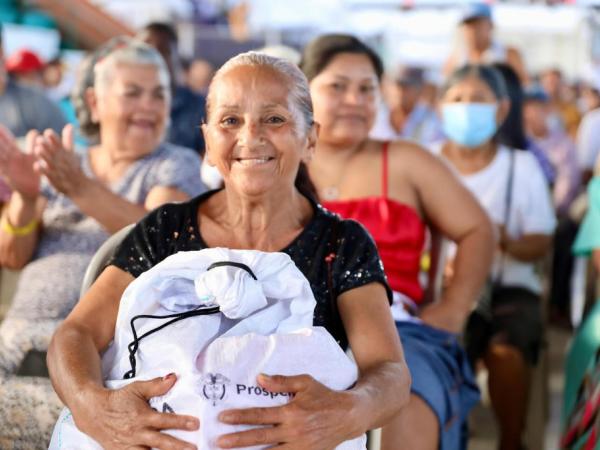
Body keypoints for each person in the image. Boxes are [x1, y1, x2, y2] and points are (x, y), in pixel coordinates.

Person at [47, 51, 411, 450]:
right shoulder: (166, 230)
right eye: (230, 120)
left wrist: (345, 412)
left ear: (310, 139)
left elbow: (389, 371)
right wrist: (94, 407)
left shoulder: (342, 243)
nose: (250, 137)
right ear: (207, 140)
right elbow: (76, 333)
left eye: (274, 119)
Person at [0, 39, 205, 447]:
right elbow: (12, 255)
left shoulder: (174, 163)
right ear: (94, 102)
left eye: (159, 94)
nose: (149, 106)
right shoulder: (63, 161)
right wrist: (25, 196)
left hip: (95, 359)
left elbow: (164, 240)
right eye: (133, 93)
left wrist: (78, 187)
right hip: (17, 340)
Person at [301, 34, 494, 450]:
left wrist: (455, 306)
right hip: (294, 329)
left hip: (399, 329)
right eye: (338, 86)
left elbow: (477, 229)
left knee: (406, 404)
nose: (354, 99)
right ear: (303, 90)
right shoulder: (277, 162)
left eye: (367, 89)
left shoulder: (408, 160)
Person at [435, 64, 556, 450]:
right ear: (441, 108)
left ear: (502, 110)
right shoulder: (425, 163)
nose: (466, 108)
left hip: (506, 286)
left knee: (506, 350)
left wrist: (500, 244)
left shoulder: (520, 167)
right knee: (433, 351)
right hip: (440, 288)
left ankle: (511, 440)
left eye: (478, 100)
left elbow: (540, 242)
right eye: (457, 100)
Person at [137, 22, 206, 155]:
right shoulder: (121, 104)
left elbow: (209, 159)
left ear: (176, 56)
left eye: (162, 50)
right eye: (145, 51)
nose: (153, 58)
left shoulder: (199, 107)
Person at [0, 24, 66, 138]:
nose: (23, 79)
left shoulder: (38, 103)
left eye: (29, 74)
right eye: (16, 74)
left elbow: (65, 146)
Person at [443, 3, 528, 86]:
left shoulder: (508, 54)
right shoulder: (455, 60)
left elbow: (526, 85)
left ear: (491, 25)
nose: (473, 31)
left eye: (478, 24)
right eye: (468, 26)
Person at [370, 66, 443, 147]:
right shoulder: (374, 116)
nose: (400, 90)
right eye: (396, 84)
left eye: (407, 86)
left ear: (420, 90)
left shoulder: (432, 120)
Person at [539, 68, 581, 137]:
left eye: (556, 82)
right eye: (550, 83)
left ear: (561, 84)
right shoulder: (537, 109)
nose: (553, 87)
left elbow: (575, 133)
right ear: (542, 83)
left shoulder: (571, 108)